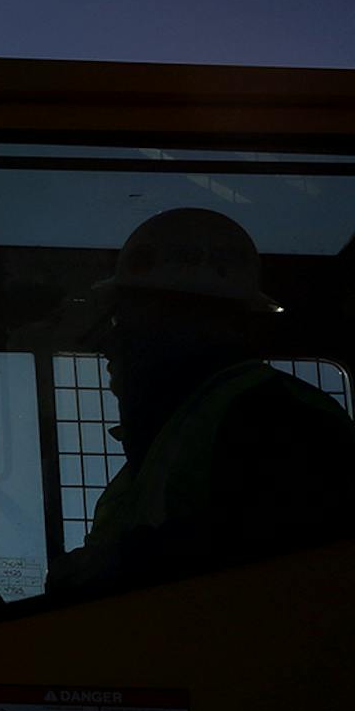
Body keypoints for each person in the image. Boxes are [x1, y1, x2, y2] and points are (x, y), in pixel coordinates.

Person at [51, 207, 355, 588]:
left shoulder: (282, 421)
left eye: (122, 318)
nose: (108, 343)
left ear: (174, 319)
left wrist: (120, 564)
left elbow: (284, 555)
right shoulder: (179, 432)